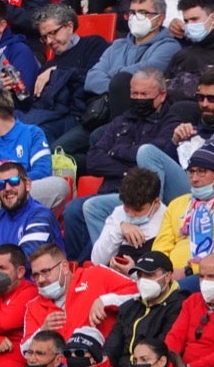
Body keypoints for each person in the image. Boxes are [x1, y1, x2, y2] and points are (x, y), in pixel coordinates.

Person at [67, 70, 180, 258]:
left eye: (144, 94)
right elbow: (93, 160)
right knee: (73, 210)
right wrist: (131, 169)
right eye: (134, 94)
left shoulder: (171, 123)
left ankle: (99, 266)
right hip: (111, 192)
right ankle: (76, 264)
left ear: (161, 96)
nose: (138, 99)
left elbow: (152, 157)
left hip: (143, 200)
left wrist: (116, 152)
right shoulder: (120, 121)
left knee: (93, 212)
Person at [137, 70, 214, 204]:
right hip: (181, 196)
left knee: (147, 152)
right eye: (200, 98)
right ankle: (149, 210)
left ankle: (150, 212)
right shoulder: (190, 131)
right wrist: (175, 143)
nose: (204, 104)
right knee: (111, 203)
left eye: (212, 99)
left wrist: (212, 177)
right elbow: (165, 174)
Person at [22, 3, 109, 151]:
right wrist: (17, 91)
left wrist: (59, 71)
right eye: (44, 37)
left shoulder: (93, 44)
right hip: (55, 117)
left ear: (69, 26)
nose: (49, 41)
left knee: (46, 141)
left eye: (53, 33)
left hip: (86, 116)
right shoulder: (47, 66)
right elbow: (37, 103)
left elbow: (96, 79)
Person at [154, 143, 214, 277]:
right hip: (169, 275)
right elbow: (161, 246)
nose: (195, 179)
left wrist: (190, 270)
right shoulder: (177, 204)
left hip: (211, 276)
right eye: (191, 172)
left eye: (202, 172)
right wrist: (160, 271)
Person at [0, 89, 68, 210]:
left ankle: (4, 198)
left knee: (59, 185)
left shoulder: (33, 133)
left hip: (25, 194)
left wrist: (0, 183)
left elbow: (42, 172)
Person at [22, 242, 134, 341]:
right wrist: (42, 331)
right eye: (35, 275)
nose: (40, 280)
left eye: (45, 272)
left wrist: (105, 301)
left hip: (101, 359)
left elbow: (137, 291)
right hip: (58, 363)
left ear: (64, 267)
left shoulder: (96, 275)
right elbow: (25, 351)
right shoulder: (33, 306)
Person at [83, 0, 179, 107]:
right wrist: (118, 86)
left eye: (143, 12)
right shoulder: (117, 45)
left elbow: (146, 74)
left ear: (159, 19)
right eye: (132, 13)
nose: (135, 17)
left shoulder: (169, 47)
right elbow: (91, 80)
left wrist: (111, 74)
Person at [0, 161, 61, 274]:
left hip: (34, 289)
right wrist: (3, 269)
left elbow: (22, 261)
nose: (7, 188)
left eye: (14, 182)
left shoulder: (41, 217)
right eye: (1, 185)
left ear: (27, 184)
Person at [103, 252, 188, 367]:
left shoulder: (180, 305)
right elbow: (112, 345)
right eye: (140, 275)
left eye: (149, 275)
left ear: (168, 276)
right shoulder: (129, 307)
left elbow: (160, 349)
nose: (143, 280)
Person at [89, 167, 169, 272]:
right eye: (127, 207)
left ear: (156, 202)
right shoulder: (119, 213)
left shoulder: (167, 219)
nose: (130, 214)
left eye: (138, 210)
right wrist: (119, 229)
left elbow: (163, 273)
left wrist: (132, 272)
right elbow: (97, 260)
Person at [165, 0, 214, 103]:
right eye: (186, 21)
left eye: (194, 19)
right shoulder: (181, 55)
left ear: (213, 18)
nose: (189, 25)